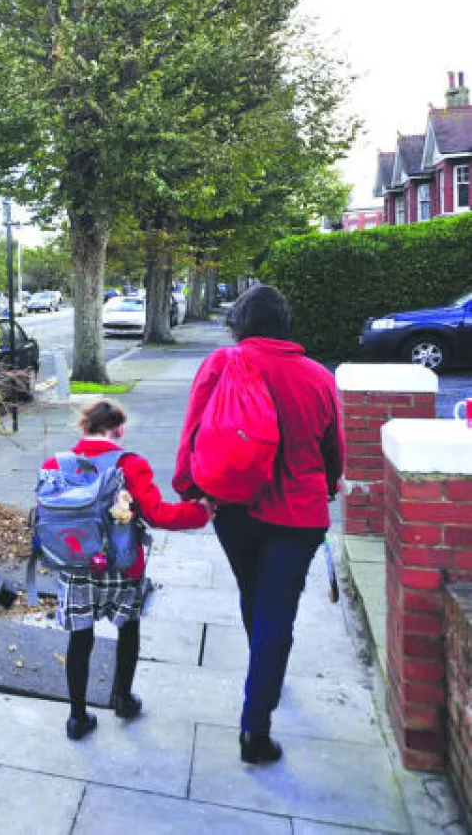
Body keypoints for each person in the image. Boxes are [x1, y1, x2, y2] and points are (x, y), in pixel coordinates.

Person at [173, 284, 343, 765]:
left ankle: (263, 670)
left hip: (234, 510)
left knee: (253, 593)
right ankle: (256, 727)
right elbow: (334, 451)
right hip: (298, 515)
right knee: (277, 608)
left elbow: (193, 430)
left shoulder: (221, 365)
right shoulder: (318, 377)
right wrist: (328, 485)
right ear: (286, 325)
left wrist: (190, 488)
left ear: (240, 324)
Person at [47, 399, 213, 740]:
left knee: (81, 637)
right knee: (128, 628)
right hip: (122, 565)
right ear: (119, 429)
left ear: (84, 427)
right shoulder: (131, 465)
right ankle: (123, 699)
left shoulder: (56, 462)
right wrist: (202, 512)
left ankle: (77, 717)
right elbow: (158, 514)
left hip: (76, 565)